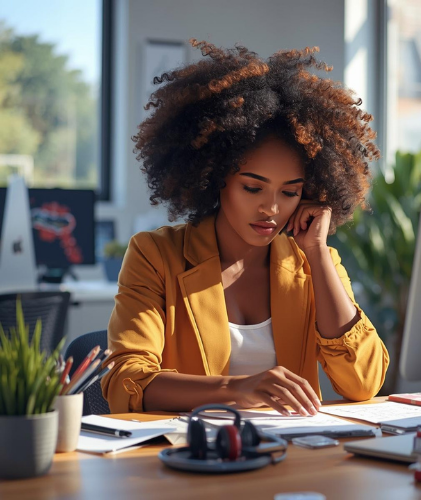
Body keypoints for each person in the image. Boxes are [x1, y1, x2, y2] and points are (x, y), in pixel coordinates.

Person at [102, 39, 389, 415]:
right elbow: (125, 381)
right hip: (190, 459)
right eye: (252, 187)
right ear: (217, 176)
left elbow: (363, 383)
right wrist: (236, 389)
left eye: (289, 192)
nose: (271, 208)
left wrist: (316, 254)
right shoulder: (157, 256)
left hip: (290, 459)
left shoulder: (316, 264)